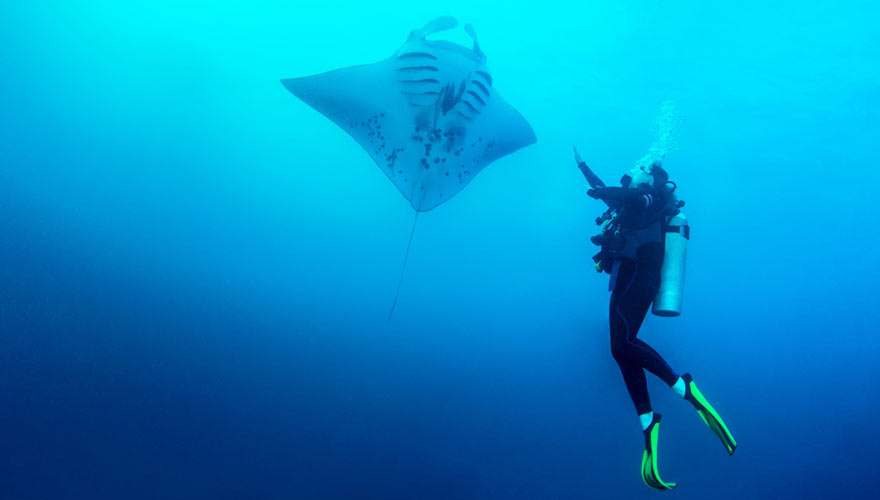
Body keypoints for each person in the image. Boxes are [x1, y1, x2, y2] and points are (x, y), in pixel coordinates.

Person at [574, 147, 736, 491]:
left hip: (639, 277)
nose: (633, 175)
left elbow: (631, 198)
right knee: (620, 350)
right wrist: (584, 167)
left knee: (626, 342)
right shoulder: (632, 202)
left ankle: (684, 388)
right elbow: (616, 197)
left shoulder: (650, 198)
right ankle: (648, 423)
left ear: (650, 178)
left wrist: (608, 191)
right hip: (626, 277)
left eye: (639, 173)